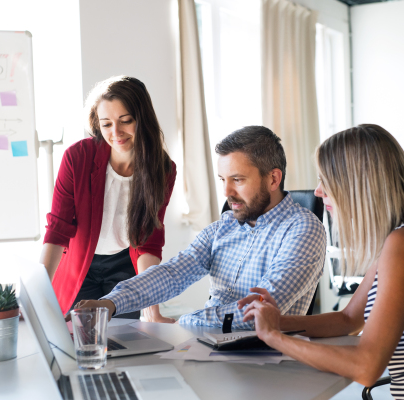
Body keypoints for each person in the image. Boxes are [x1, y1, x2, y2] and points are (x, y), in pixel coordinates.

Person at [238, 125, 404, 399]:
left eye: (325, 179)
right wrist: (278, 321)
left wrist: (274, 337)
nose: (318, 192)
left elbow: (367, 367)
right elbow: (348, 319)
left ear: (357, 184)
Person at [70, 126, 326, 329]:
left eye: (237, 180)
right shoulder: (224, 227)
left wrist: (187, 322)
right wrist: (110, 302)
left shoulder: (303, 230)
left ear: (273, 178)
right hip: (208, 348)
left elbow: (260, 312)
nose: (227, 193)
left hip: (262, 362)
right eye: (223, 180)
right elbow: (173, 274)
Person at [40, 76, 177, 323]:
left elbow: (149, 241)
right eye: (106, 124)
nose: (116, 133)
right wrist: (37, 293)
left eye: (126, 121)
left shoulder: (162, 169)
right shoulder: (77, 157)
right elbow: (58, 229)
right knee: (79, 340)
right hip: (80, 266)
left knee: (125, 344)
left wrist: (152, 307)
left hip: (126, 267)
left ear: (142, 119)